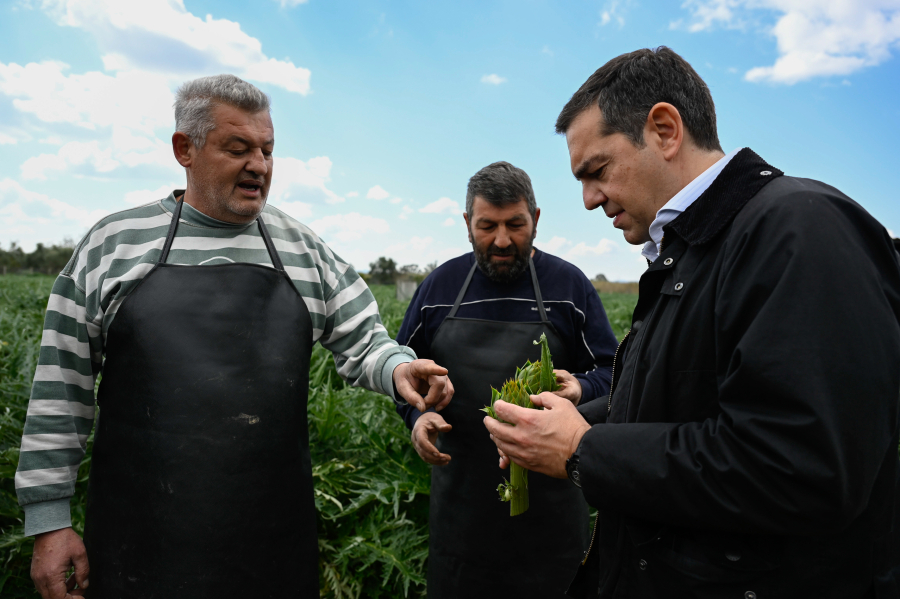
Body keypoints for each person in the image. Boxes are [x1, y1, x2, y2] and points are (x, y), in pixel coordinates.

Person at [16, 74, 453, 599]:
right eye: (238, 148)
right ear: (185, 149)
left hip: (273, 547)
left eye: (268, 150)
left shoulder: (301, 248)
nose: (260, 165)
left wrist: (401, 367)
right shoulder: (114, 244)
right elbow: (60, 389)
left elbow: (367, 340)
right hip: (140, 544)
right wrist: (49, 522)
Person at [483, 47, 900, 598]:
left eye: (597, 171)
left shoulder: (800, 229)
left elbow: (803, 468)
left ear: (664, 129)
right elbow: (686, 392)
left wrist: (585, 451)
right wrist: (566, 420)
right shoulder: (691, 251)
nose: (588, 200)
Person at [396, 161, 619, 598]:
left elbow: (614, 373)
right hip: (460, 517)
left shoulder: (569, 287)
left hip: (552, 518)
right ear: (467, 224)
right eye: (487, 226)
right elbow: (404, 370)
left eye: (515, 225)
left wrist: (580, 388)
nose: (501, 240)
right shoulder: (440, 288)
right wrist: (414, 417)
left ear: (535, 220)